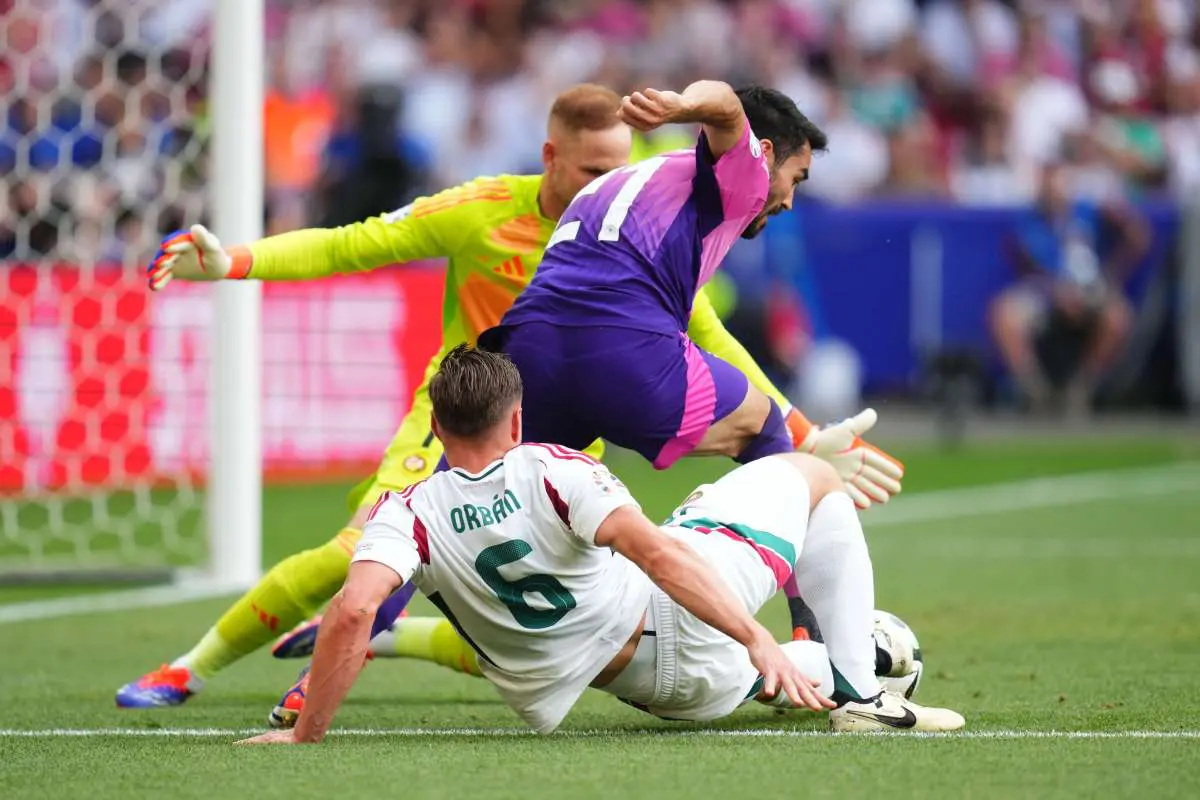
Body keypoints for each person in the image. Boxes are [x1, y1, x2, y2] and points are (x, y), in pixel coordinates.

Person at [117, 83, 900, 708]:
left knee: (519, 602)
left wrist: (800, 426)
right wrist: (235, 263)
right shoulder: (485, 209)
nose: (608, 180)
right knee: (360, 554)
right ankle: (196, 667)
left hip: (551, 419)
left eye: (618, 165)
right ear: (551, 157)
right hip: (464, 410)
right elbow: (347, 243)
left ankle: (377, 642)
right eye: (593, 169)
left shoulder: (629, 223)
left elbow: (709, 338)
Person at [238, 345, 964, 743]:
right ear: (517, 420)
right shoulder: (552, 468)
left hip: (666, 695)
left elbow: (351, 610)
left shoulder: (407, 515)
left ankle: (857, 663)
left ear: (437, 424)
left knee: (795, 653)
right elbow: (659, 556)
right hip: (682, 616)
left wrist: (306, 735)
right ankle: (867, 692)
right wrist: (756, 637)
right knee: (811, 475)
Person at [988, 160, 1148, 414]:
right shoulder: (1030, 221)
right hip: (1046, 292)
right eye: (1050, 186)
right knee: (1005, 314)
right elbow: (1039, 269)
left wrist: (1113, 272)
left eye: (1061, 186)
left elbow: (1139, 239)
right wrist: (1061, 293)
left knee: (1118, 317)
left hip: (1091, 289)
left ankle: (1080, 389)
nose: (1056, 192)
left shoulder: (1089, 212)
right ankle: (1035, 392)